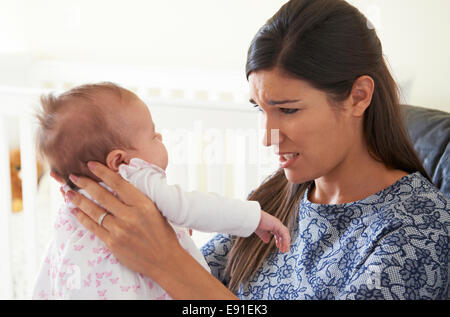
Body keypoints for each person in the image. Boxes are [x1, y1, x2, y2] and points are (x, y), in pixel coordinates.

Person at [62, 0, 448, 300]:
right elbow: (196, 285)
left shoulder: (419, 233)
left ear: (358, 97)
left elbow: (185, 279)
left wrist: (165, 260)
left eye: (288, 110)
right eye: (260, 110)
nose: (268, 135)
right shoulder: (276, 198)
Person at [32, 83, 290, 299]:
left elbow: (47, 277)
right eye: (154, 135)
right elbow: (195, 208)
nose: (161, 139)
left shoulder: (73, 204)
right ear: (118, 161)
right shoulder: (134, 174)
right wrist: (253, 218)